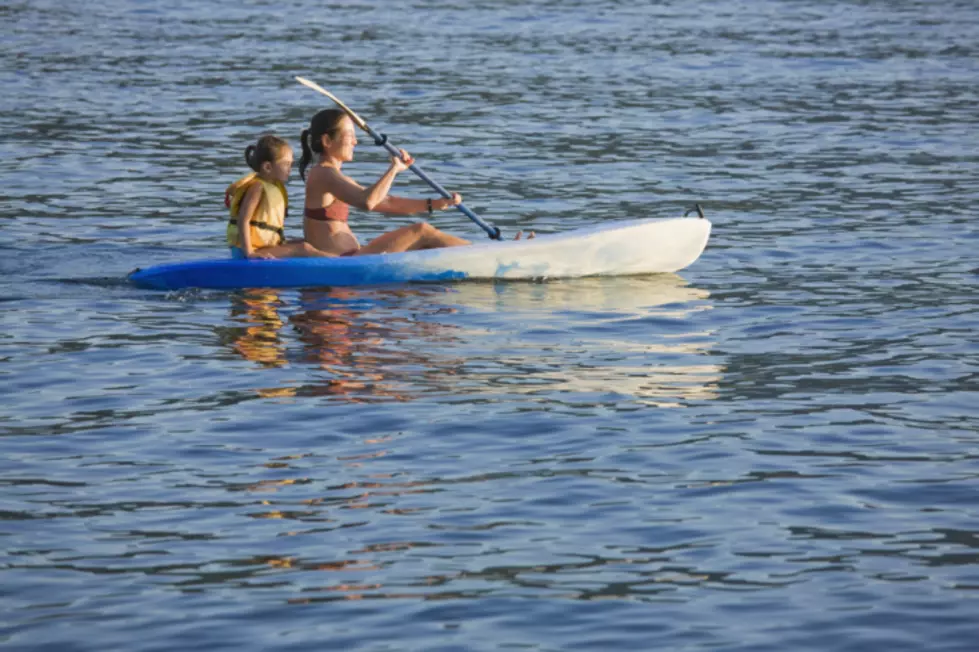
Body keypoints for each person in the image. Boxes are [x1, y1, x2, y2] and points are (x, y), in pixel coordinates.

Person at [299, 109, 472, 256]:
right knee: (422, 231)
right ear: (327, 141)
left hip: (353, 257)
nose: (355, 142)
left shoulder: (333, 176)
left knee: (423, 238)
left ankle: (473, 255)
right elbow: (367, 202)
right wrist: (394, 169)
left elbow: (387, 202)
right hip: (344, 262)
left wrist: (434, 204)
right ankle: (478, 254)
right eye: (350, 136)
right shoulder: (323, 173)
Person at [226, 134, 335, 259]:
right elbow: (243, 220)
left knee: (307, 242)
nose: (290, 169)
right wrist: (250, 253)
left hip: (262, 247)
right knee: (303, 248)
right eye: (286, 164)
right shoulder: (257, 187)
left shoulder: (273, 186)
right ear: (268, 167)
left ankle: (338, 257)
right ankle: (339, 263)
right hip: (247, 251)